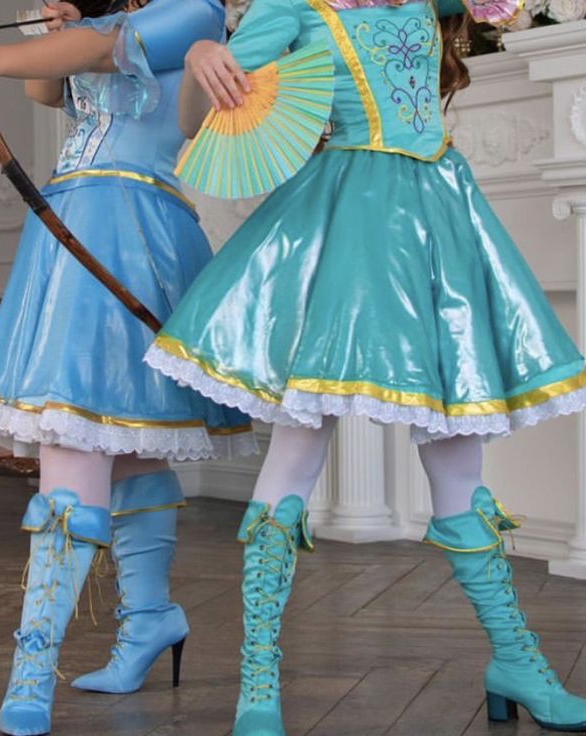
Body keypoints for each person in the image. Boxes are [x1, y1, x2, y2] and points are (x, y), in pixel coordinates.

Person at [143, 0, 586, 733]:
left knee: (457, 459)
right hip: (345, 228)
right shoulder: (293, 7)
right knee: (298, 444)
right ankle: (259, 681)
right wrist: (197, 57)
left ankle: (515, 658)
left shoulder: (423, 4)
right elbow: (198, 119)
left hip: (442, 222)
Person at [0, 2, 255, 734]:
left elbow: (110, 51)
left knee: (79, 443)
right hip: (72, 221)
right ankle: (149, 621)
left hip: (133, 222)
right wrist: (48, 31)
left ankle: (32, 672)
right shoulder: (102, 20)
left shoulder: (196, 6)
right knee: (128, 447)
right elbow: (53, 90)